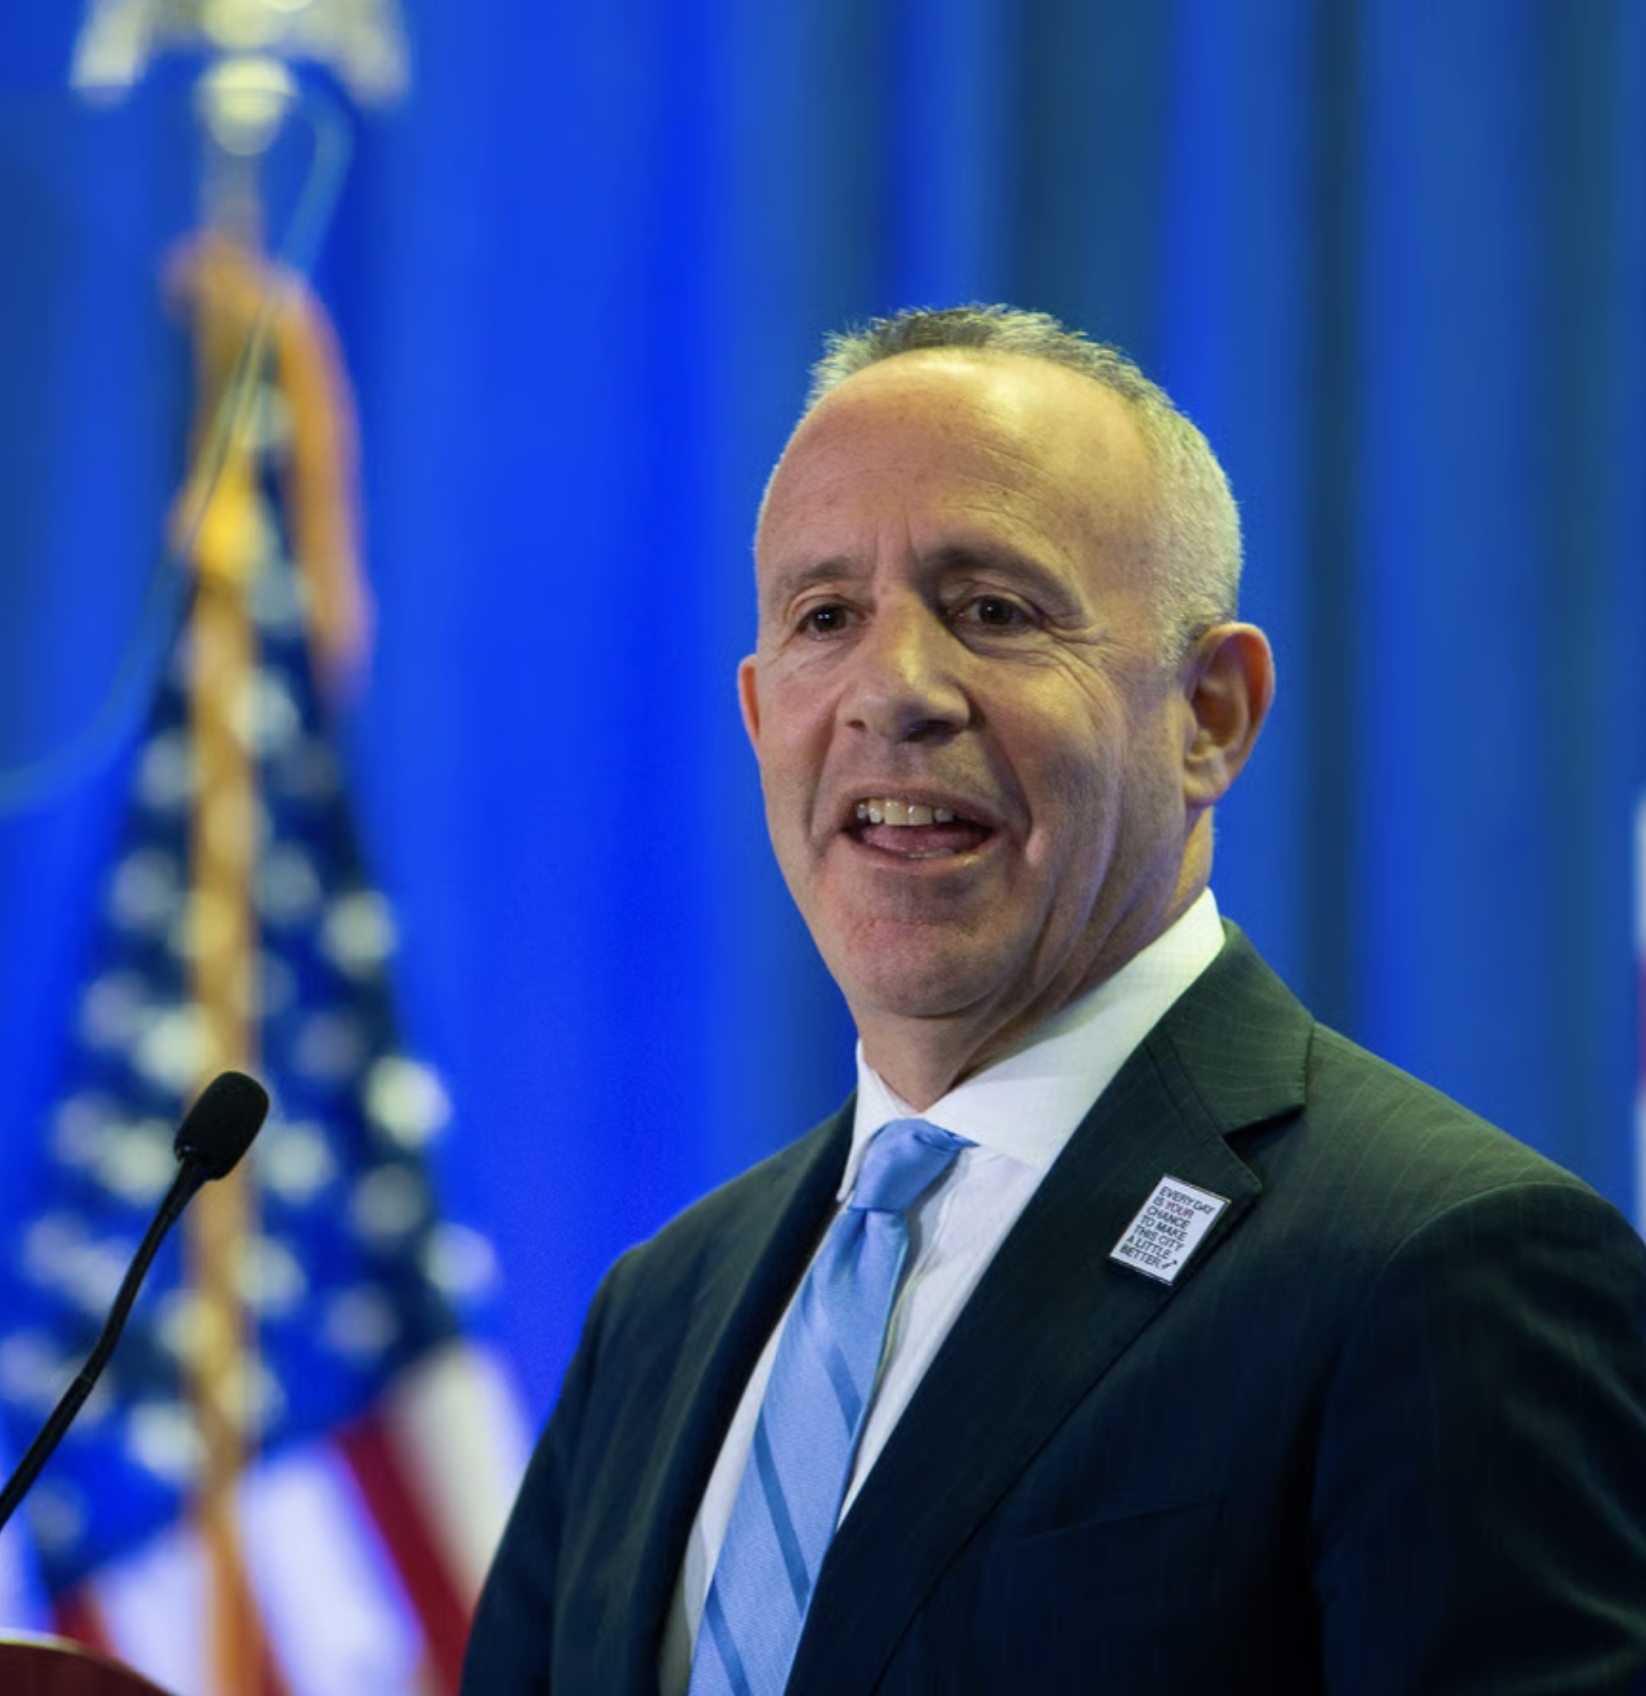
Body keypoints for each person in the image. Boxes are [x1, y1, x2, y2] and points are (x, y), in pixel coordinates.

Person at [460, 306, 1646, 1694]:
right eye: (824, 617)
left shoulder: (1442, 1267)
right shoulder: (659, 1312)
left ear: (1210, 713)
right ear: (755, 713)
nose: (890, 692)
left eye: (993, 611)